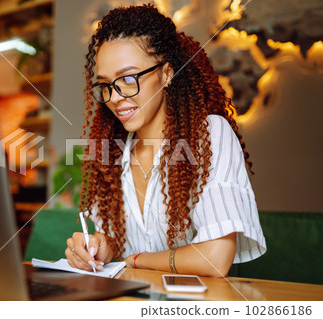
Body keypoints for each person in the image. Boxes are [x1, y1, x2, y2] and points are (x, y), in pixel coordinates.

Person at [65, 4, 266, 277]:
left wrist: (135, 260)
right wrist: (102, 247)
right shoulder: (111, 152)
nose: (114, 97)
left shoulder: (209, 136)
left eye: (128, 78)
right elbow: (116, 241)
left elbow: (214, 258)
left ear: (167, 73)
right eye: (106, 85)